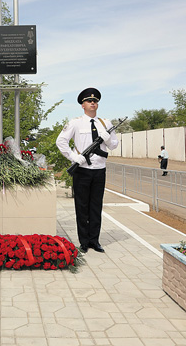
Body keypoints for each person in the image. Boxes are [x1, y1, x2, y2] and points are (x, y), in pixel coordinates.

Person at [56, 88, 119, 254]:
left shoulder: (105, 123)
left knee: (96, 207)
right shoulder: (76, 122)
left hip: (99, 170)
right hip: (82, 170)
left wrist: (107, 138)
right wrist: (73, 157)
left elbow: (113, 145)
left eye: (95, 101)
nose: (93, 103)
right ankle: (83, 242)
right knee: (82, 206)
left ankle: (94, 241)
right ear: (82, 105)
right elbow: (61, 141)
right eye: (89, 101)